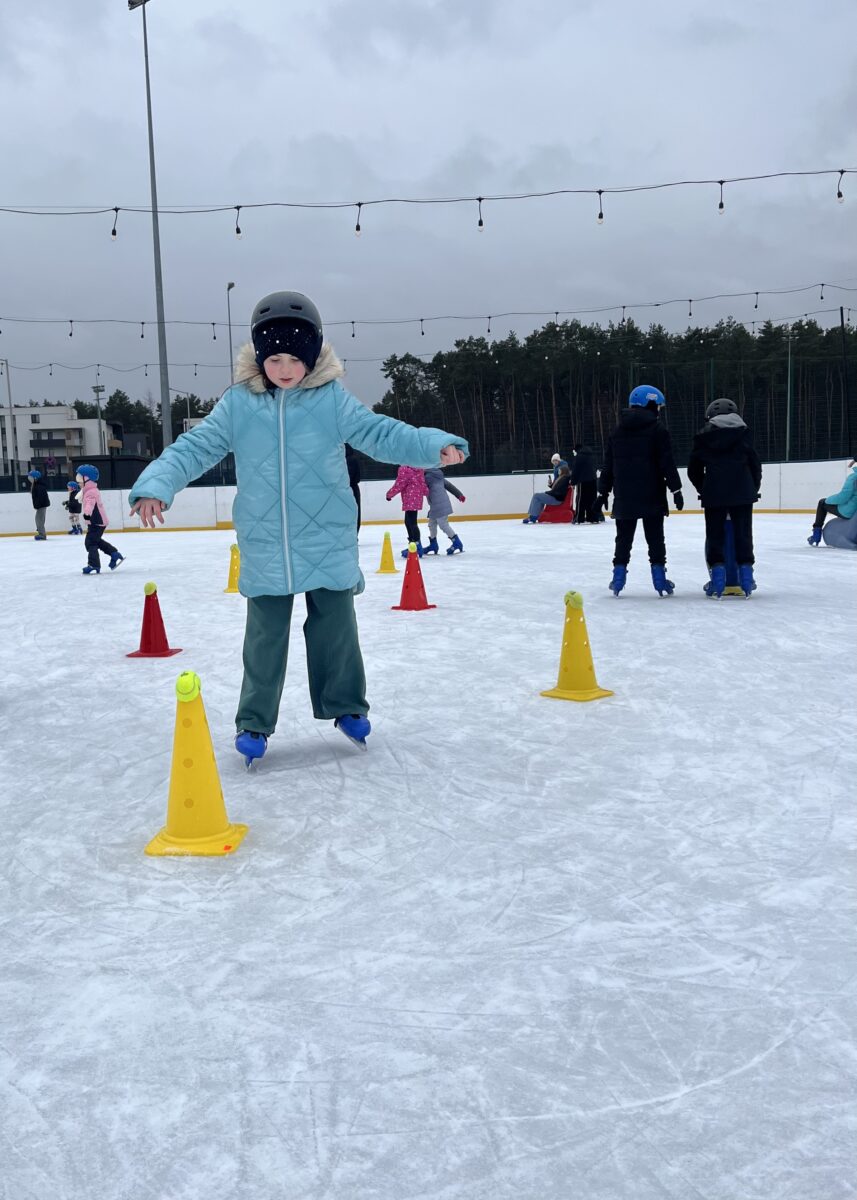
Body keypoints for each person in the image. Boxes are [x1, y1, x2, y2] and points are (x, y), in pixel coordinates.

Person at [127, 290, 468, 767]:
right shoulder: (238, 405)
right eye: (275, 358)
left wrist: (434, 446)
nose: (285, 368)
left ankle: (346, 707)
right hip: (266, 539)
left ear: (313, 356)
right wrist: (157, 484)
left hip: (327, 534)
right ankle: (254, 721)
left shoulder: (331, 400)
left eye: (295, 358)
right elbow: (194, 447)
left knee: (336, 628)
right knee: (264, 635)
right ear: (260, 358)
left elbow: (383, 434)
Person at [597, 384, 683, 596]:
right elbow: (667, 462)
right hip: (651, 493)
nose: (659, 411)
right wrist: (676, 489)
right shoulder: (658, 430)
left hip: (624, 495)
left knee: (623, 538)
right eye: (658, 406)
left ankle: (618, 579)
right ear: (650, 404)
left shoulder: (617, 431)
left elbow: (608, 465)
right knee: (655, 538)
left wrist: (603, 492)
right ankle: (660, 580)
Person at [687, 398, 762, 597]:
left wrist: (704, 488)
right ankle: (746, 579)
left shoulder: (703, 437)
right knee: (744, 534)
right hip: (743, 493)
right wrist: (753, 489)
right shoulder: (744, 434)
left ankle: (717, 581)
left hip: (715, 493)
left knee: (715, 535)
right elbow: (755, 465)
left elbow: (693, 470)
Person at [77, 465, 124, 575]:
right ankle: (114, 553)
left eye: (79, 479)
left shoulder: (91, 492)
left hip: (97, 522)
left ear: (87, 479)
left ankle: (94, 565)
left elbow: (90, 504)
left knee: (90, 543)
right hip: (96, 522)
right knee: (96, 541)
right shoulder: (89, 490)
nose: (78, 481)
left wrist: (87, 514)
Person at [807, 459, 857, 545]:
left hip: (850, 511)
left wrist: (828, 500)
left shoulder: (853, 477)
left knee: (822, 503)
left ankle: (816, 535)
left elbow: (843, 497)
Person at [386, 465, 430, 557]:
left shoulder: (404, 469)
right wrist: (425, 492)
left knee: (411, 522)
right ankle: (413, 544)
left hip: (409, 498)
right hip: (417, 497)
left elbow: (399, 484)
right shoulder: (419, 468)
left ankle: (417, 546)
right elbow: (422, 482)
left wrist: (389, 494)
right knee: (408, 522)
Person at [423, 465, 466, 554]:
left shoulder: (427, 477)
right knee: (432, 524)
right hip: (436, 505)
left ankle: (456, 542)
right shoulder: (438, 476)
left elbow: (422, 488)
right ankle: (433, 544)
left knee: (443, 525)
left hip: (439, 505)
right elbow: (449, 486)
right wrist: (459, 495)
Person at [570, 443, 600, 523]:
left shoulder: (579, 456)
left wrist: (573, 482)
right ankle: (593, 518)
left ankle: (579, 518)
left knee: (581, 500)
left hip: (583, 481)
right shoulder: (592, 455)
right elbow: (596, 467)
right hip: (593, 480)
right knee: (592, 499)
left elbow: (576, 470)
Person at [27, 469, 50, 540]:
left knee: (39, 519)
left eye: (30, 477)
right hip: (41, 505)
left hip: (41, 505)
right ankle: (41, 531)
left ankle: (42, 534)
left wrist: (37, 505)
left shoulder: (39, 486)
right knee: (39, 519)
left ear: (35, 478)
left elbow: (41, 497)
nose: (29, 479)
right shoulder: (37, 485)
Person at [344, 443, 362, 532]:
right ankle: (355, 534)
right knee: (356, 512)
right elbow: (358, 476)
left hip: (343, 489)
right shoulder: (354, 459)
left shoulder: (340, 461)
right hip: (354, 488)